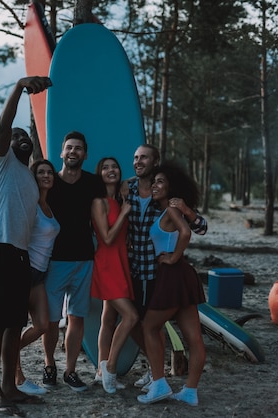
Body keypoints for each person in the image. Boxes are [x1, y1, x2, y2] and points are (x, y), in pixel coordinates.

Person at [0, 76, 51, 416]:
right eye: (15, 135)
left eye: (25, 136)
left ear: (31, 146)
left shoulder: (31, 181)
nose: (19, 137)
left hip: (18, 255)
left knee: (13, 326)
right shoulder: (2, 162)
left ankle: (10, 387)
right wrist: (19, 87)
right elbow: (4, 124)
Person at [123, 144, 208, 390]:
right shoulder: (128, 188)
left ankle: (158, 378)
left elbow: (198, 229)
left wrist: (186, 210)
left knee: (151, 325)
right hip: (137, 270)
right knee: (139, 324)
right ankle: (164, 375)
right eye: (135, 157)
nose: (139, 161)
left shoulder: (170, 200)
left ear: (155, 161)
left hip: (161, 273)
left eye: (144, 158)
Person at [0, 159, 61, 396]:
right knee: (13, 326)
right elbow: (3, 219)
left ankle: (5, 355)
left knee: (42, 325)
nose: (46, 175)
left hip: (39, 274)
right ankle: (17, 376)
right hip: (23, 270)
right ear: (32, 178)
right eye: (41, 172)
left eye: (49, 172)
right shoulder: (29, 203)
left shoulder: (48, 205)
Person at [41, 131, 105, 392]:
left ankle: (69, 371)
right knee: (51, 320)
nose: (73, 152)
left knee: (76, 317)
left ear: (85, 154)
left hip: (84, 260)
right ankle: (49, 366)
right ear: (61, 152)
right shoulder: (49, 183)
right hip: (54, 260)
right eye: (69, 148)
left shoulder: (93, 183)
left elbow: (110, 200)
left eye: (78, 148)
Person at [90, 157, 138, 394]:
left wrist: (126, 190)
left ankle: (100, 373)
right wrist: (124, 214)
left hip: (120, 262)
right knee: (130, 316)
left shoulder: (120, 198)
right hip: (106, 264)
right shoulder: (99, 202)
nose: (111, 170)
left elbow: (133, 179)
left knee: (109, 319)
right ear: (99, 174)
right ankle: (110, 367)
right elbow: (107, 238)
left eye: (115, 167)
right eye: (105, 167)